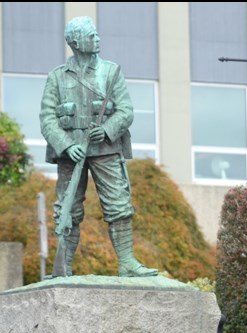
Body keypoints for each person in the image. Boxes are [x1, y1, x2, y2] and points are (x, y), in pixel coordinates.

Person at [40, 16, 158, 279]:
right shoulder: (57, 77)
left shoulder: (111, 72)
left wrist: (105, 130)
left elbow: (126, 111)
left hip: (105, 149)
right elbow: (47, 120)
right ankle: (63, 269)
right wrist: (67, 145)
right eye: (91, 35)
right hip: (72, 155)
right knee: (67, 209)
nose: (97, 39)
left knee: (118, 205)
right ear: (74, 42)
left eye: (96, 34)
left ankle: (127, 263)